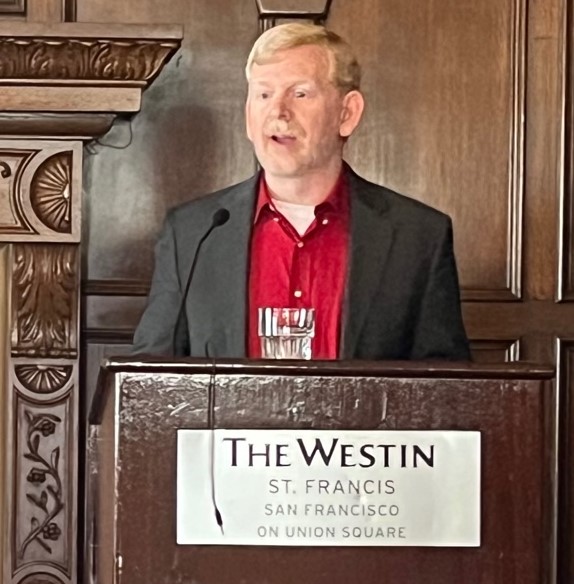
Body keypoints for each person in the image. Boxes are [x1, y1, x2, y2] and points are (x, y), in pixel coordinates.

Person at [132, 22, 470, 361]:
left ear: (347, 113)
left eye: (300, 93)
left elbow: (444, 389)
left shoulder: (418, 236)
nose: (278, 113)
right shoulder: (193, 233)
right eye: (264, 95)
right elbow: (148, 378)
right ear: (249, 116)